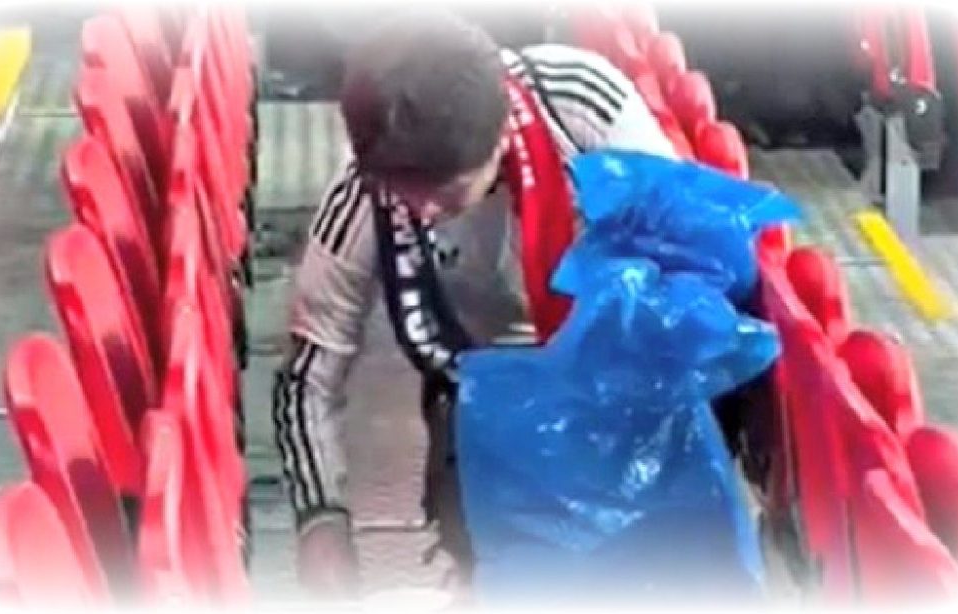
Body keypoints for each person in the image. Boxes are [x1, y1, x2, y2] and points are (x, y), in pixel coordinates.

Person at [271, 7, 677, 598]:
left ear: (496, 142)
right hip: (474, 398)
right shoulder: (361, 198)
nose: (424, 213)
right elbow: (307, 378)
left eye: (446, 194)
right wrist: (322, 522)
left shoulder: (583, 107)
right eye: (405, 196)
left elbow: (688, 260)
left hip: (616, 381)